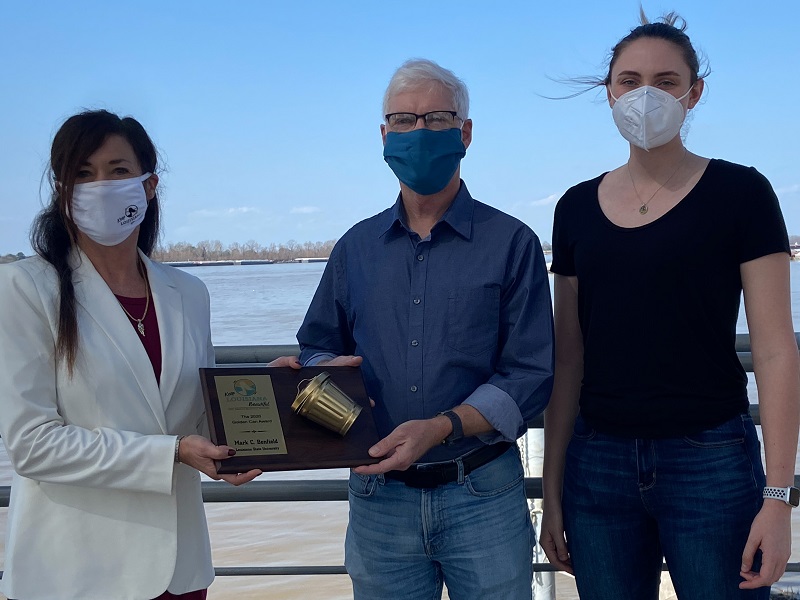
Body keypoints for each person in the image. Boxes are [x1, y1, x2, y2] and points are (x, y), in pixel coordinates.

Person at [540, 11, 800, 599]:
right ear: (609, 92)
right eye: (629, 81)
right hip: (597, 464)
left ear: (694, 92)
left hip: (711, 459)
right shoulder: (575, 208)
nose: (645, 94)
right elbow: (568, 362)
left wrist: (779, 499)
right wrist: (552, 489)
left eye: (665, 79)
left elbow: (777, 351)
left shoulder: (742, 194)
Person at [0, 109, 296, 600]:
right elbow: (33, 445)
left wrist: (267, 392)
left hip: (180, 570)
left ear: (149, 185)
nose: (101, 186)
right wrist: (171, 453)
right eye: (82, 174)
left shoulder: (188, 292)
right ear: (61, 191)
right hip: (76, 573)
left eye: (118, 171)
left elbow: (194, 413)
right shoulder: (25, 289)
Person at [296, 58, 554, 599]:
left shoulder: (512, 243)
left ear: (465, 133)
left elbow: (530, 374)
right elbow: (317, 349)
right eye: (404, 121)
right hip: (378, 500)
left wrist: (439, 427)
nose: (419, 133)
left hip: (482, 490)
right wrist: (316, 380)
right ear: (384, 136)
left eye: (436, 119)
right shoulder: (354, 249)